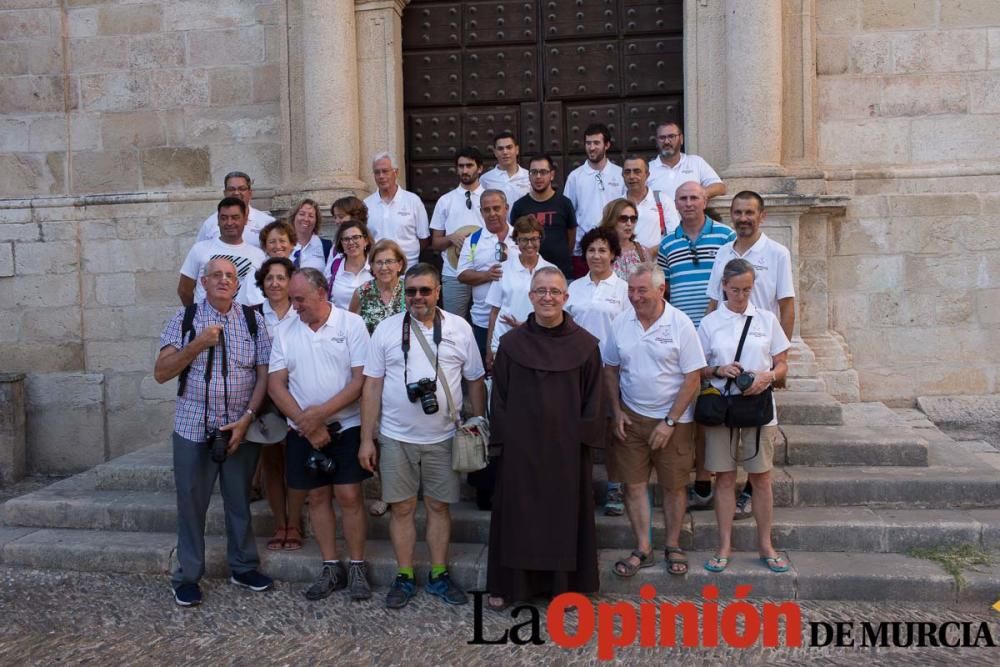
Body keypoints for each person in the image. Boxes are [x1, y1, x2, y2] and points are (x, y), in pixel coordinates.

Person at [359, 263, 487, 609]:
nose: (417, 297)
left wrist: (478, 421)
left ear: (438, 291)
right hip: (395, 437)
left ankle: (439, 573)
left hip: (444, 437)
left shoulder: (459, 329)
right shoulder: (386, 330)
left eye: (425, 290)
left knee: (438, 506)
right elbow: (371, 385)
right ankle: (404, 575)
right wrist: (366, 438)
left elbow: (475, 378)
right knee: (401, 508)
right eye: (411, 291)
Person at [154, 257, 273, 607]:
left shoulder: (254, 320)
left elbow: (264, 375)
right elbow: (161, 372)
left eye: (230, 276)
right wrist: (197, 344)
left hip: (239, 428)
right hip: (193, 429)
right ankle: (188, 576)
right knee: (191, 504)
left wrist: (248, 418)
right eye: (216, 275)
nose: (224, 280)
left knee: (239, 502)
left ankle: (243, 566)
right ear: (203, 283)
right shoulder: (185, 319)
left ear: (237, 285)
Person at [485, 267, 605, 610]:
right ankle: (512, 585)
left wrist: (580, 439)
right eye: (541, 291)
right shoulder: (511, 344)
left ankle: (562, 588)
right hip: (521, 451)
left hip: (566, 452)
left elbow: (593, 399)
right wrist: (505, 440)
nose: (548, 297)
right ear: (531, 296)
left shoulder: (585, 346)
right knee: (517, 518)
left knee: (562, 520)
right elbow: (501, 398)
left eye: (554, 291)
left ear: (566, 298)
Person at [267, 268, 374, 600]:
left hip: (346, 424)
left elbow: (360, 381)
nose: (294, 305)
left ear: (322, 294)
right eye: (293, 299)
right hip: (302, 430)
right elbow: (275, 384)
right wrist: (306, 423)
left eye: (300, 299)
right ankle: (330, 565)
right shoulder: (286, 330)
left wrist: (319, 416)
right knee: (316, 497)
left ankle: (357, 565)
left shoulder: (350, 324)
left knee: (349, 496)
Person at [603, 264, 705, 578]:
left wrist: (670, 422)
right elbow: (609, 368)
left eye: (641, 290)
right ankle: (643, 548)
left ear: (661, 290)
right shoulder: (621, 322)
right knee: (633, 486)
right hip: (631, 418)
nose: (635, 297)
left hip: (674, 420)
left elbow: (693, 378)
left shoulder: (680, 324)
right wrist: (616, 410)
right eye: (631, 290)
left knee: (674, 486)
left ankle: (673, 545)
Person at [704, 191, 796, 518]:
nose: (743, 218)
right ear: (731, 215)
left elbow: (786, 304)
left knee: (759, 428)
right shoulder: (722, 252)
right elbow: (714, 302)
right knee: (731, 425)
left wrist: (778, 363)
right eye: (738, 213)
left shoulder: (777, 253)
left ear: (762, 216)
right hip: (728, 351)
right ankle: (735, 488)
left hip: (762, 351)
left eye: (750, 213)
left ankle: (748, 489)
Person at [698, 259, 790, 574]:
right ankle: (724, 544)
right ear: (724, 286)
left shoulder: (766, 319)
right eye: (735, 289)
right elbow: (698, 369)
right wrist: (719, 370)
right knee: (724, 477)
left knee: (761, 478)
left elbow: (782, 364)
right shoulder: (709, 322)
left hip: (759, 406)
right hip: (723, 406)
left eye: (747, 289)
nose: (740, 295)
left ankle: (766, 544)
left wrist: (767, 377)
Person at [657, 183, 736, 513]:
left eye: (694, 198)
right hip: (681, 337)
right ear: (675, 204)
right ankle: (688, 477)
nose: (688, 203)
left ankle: (706, 480)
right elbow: (666, 290)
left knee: (712, 409)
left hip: (716, 334)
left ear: (705, 200)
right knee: (688, 408)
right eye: (683, 199)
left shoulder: (725, 237)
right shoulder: (667, 243)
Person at [566, 226, 630, 517]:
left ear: (614, 254)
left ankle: (616, 486)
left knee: (614, 430)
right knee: (581, 429)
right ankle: (583, 485)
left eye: (603, 250)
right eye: (591, 249)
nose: (596, 255)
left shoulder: (625, 290)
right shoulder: (574, 288)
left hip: (612, 370)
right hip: (577, 370)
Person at [250, 257, 304, 552]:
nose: (275, 283)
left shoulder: (301, 311)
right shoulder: (252, 316)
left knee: (294, 463)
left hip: (298, 395)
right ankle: (279, 523)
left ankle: (294, 524)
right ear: (262, 282)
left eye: (281, 277)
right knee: (271, 464)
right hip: (267, 400)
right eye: (269, 278)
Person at [456, 189, 519, 361]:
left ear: (506, 208)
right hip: (483, 319)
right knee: (486, 371)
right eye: (487, 209)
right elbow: (462, 274)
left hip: (515, 319)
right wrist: (487, 275)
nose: (492, 213)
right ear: (481, 211)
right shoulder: (473, 241)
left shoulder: (520, 237)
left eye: (496, 208)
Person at [485, 215, 555, 368]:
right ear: (517, 241)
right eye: (524, 239)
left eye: (534, 239)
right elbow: (494, 311)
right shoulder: (503, 269)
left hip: (540, 340)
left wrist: (525, 325)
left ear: (540, 239)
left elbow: (556, 313)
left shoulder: (552, 271)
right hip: (505, 339)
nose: (529, 244)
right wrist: (489, 347)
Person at [429, 147, 486, 318]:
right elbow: (435, 243)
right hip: (453, 273)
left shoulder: (491, 198)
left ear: (480, 168)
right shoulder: (445, 201)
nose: (465, 170)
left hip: (484, 271)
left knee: (485, 320)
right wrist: (451, 238)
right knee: (453, 323)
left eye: (469, 165)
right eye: (461, 166)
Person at [178, 197, 267, 306]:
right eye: (224, 218)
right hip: (203, 321)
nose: (229, 223)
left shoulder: (258, 255)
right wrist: (195, 315)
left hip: (243, 321)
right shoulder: (200, 249)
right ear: (218, 221)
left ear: (245, 220)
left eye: (235, 218)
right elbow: (184, 290)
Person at [563, 123, 625, 277]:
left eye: (596, 143)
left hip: (614, 248)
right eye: (588, 143)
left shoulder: (620, 174)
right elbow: (568, 214)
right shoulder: (575, 177)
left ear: (607, 145)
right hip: (583, 251)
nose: (591, 148)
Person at [509, 154, 577, 280]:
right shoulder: (519, 206)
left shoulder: (564, 203)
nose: (538, 176)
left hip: (561, 273)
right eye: (534, 172)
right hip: (527, 275)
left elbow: (571, 236)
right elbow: (514, 238)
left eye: (543, 172)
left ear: (552, 175)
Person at [364, 153, 429, 269]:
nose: (381, 176)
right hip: (377, 270)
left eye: (385, 171)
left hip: (407, 269)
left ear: (396, 172)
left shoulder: (413, 201)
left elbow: (423, 239)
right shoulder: (366, 204)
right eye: (377, 172)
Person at [647, 120, 726, 201]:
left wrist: (697, 195)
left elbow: (719, 187)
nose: (666, 141)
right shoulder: (648, 169)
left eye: (671, 136)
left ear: (681, 139)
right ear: (656, 141)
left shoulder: (696, 162)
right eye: (662, 138)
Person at [194, 171, 275, 248]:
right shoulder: (211, 223)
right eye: (231, 189)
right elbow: (198, 253)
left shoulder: (267, 222)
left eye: (242, 189)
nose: (236, 193)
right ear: (225, 193)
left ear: (250, 193)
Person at [350, 239, 407, 335]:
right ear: (372, 266)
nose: (384, 267)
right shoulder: (362, 293)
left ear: (399, 265)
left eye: (389, 261)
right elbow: (351, 329)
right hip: (370, 349)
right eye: (379, 262)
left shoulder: (410, 290)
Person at [623, 154, 680, 250]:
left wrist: (652, 252)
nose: (632, 176)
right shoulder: (616, 205)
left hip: (657, 263)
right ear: (622, 175)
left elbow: (674, 235)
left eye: (637, 172)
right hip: (626, 263)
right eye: (627, 172)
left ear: (647, 175)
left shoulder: (663, 200)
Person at [239, 220, 296, 306]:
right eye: (272, 242)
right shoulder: (255, 276)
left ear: (292, 244)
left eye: (282, 241)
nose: (277, 246)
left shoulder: (298, 274)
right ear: (265, 247)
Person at [324, 220, 373, 311]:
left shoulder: (376, 266)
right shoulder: (334, 266)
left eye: (356, 237)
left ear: (366, 241)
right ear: (341, 243)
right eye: (346, 239)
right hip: (340, 323)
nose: (351, 242)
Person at [599, 198, 651, 280]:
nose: (629, 223)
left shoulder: (642, 251)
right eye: (623, 219)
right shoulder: (600, 250)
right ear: (611, 220)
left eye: (633, 219)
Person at [479, 131, 530, 206]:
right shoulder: (485, 179)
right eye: (500, 149)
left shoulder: (529, 177)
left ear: (517, 150)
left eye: (509, 147)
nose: (505, 152)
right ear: (495, 152)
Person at [289, 199, 332, 270]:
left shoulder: (326, 247)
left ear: (316, 221)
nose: (306, 219)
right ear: (294, 217)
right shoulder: (283, 244)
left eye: (311, 216)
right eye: (302, 214)